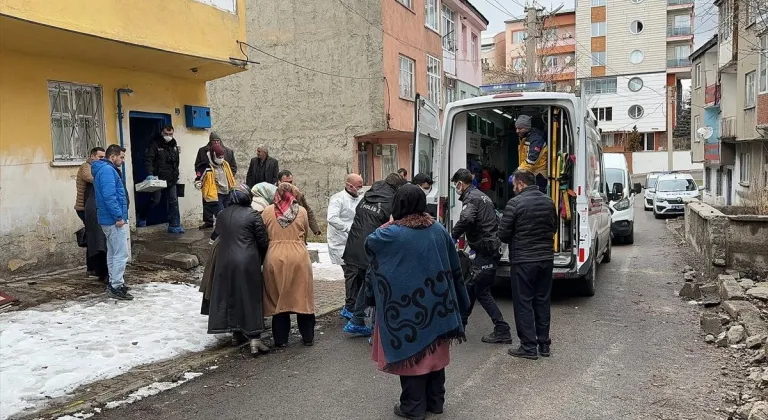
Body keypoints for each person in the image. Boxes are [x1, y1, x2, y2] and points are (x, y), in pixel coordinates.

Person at [366, 184, 469, 420]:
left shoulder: (390, 234)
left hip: (408, 308)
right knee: (434, 356)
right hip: (439, 304)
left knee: (413, 355)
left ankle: (412, 407)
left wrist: (391, 222)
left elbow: (369, 244)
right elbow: (454, 265)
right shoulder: (438, 229)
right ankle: (435, 402)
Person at [206, 184, 271, 356]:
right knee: (250, 297)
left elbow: (217, 235)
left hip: (224, 261)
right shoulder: (253, 215)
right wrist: (260, 258)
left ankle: (236, 334)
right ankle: (255, 339)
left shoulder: (222, 215)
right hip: (247, 260)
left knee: (231, 295)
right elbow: (263, 240)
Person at [499, 169, 557, 360]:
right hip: (546, 260)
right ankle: (544, 344)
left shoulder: (514, 204)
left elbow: (503, 234)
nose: (513, 188)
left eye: (514, 184)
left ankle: (528, 347)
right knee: (542, 301)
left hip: (524, 261)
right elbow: (554, 227)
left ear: (521, 184)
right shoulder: (549, 202)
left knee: (523, 303)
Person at [450, 168, 512, 344]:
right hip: (488, 248)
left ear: (461, 184)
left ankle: (502, 329)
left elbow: (467, 219)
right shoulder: (481, 196)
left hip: (487, 251)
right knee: (472, 287)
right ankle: (461, 325)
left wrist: (452, 236)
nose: (456, 188)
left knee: (479, 289)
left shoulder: (471, 199)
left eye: (456, 185)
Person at [342, 173, 407, 337]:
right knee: (378, 286)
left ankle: (356, 320)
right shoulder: (392, 201)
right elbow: (393, 225)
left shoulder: (367, 196)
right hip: (372, 249)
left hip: (353, 246)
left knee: (367, 284)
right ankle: (375, 331)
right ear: (397, 188)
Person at [262, 183, 316, 347]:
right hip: (298, 255)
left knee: (279, 298)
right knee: (302, 297)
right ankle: (307, 337)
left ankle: (281, 339)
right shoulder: (302, 211)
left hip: (275, 255)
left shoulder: (267, 211)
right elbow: (305, 232)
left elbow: (263, 233)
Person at [92, 144, 132, 301]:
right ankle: (116, 285)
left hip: (107, 219)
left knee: (113, 252)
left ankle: (115, 283)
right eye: (121, 157)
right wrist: (118, 217)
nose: (122, 160)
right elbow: (110, 196)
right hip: (113, 219)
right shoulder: (108, 171)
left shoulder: (103, 170)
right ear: (112, 156)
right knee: (121, 253)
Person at [327, 174, 364, 318]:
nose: (361, 189)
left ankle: (354, 304)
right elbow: (332, 218)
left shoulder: (360, 198)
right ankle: (350, 306)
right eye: (359, 186)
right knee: (351, 273)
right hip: (341, 243)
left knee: (358, 274)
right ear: (350, 186)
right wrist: (349, 228)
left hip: (355, 242)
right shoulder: (338, 199)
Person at [139, 125, 183, 233]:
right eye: (166, 134)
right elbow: (149, 159)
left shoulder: (174, 145)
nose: (168, 136)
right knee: (155, 200)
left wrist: (176, 175)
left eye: (170, 134)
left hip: (171, 179)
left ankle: (174, 225)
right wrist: (150, 173)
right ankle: (142, 216)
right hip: (158, 178)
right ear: (162, 133)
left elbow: (176, 162)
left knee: (173, 201)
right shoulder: (155, 144)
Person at [195, 132, 237, 229]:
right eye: (214, 141)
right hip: (214, 192)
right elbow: (199, 172)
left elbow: (232, 170)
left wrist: (230, 182)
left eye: (218, 141)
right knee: (221, 215)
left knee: (227, 214)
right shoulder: (204, 159)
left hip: (226, 191)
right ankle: (217, 231)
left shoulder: (226, 160)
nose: (221, 159)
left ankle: (226, 233)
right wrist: (199, 181)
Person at [276, 170, 321, 236]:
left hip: (297, 230)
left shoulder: (298, 194)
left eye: (290, 182)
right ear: (279, 182)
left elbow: (307, 211)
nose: (289, 184)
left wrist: (315, 229)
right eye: (285, 182)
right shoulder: (273, 195)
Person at [515, 115, 549, 193]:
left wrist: (517, 172)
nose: (517, 131)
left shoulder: (536, 140)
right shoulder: (525, 138)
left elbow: (531, 159)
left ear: (527, 128)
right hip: (530, 173)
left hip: (538, 176)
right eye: (516, 128)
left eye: (520, 128)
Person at [75, 147, 105, 223]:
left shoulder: (97, 167)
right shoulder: (86, 166)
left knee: (92, 231)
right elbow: (88, 177)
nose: (102, 159)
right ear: (92, 156)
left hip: (90, 206)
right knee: (91, 230)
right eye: (100, 157)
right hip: (83, 207)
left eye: (104, 157)